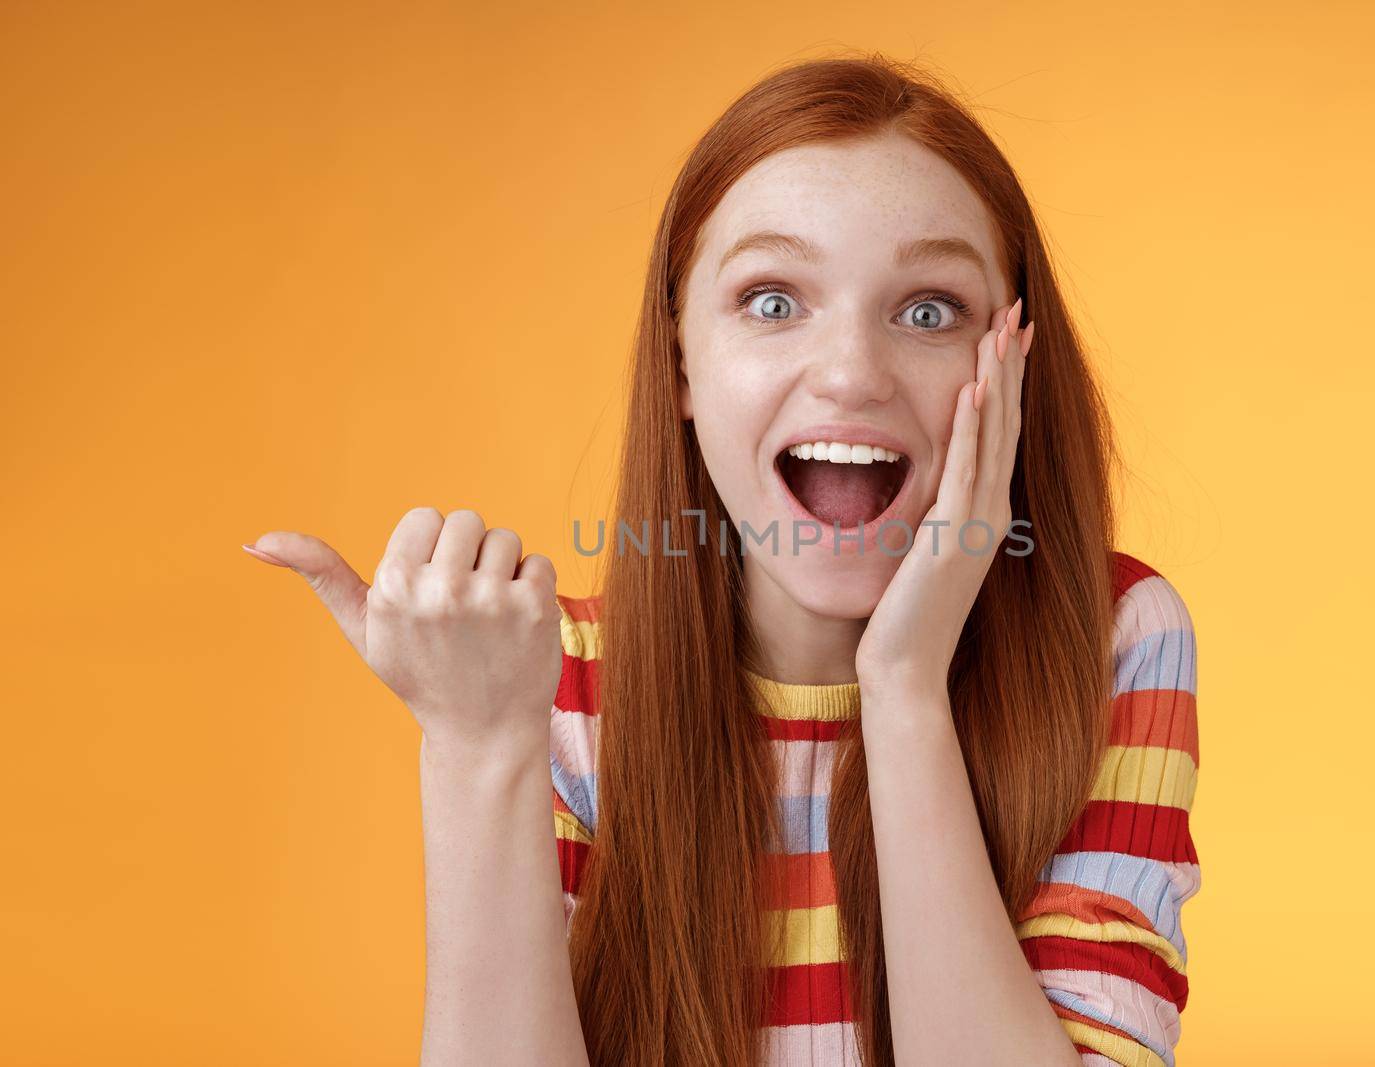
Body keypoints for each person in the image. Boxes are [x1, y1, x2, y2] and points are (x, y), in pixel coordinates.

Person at [242, 52, 1201, 1067]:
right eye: (772, 300)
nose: (850, 373)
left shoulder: (1109, 640)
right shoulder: (554, 684)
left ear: (1011, 358)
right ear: (682, 359)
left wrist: (903, 682)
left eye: (929, 310)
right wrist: (478, 748)